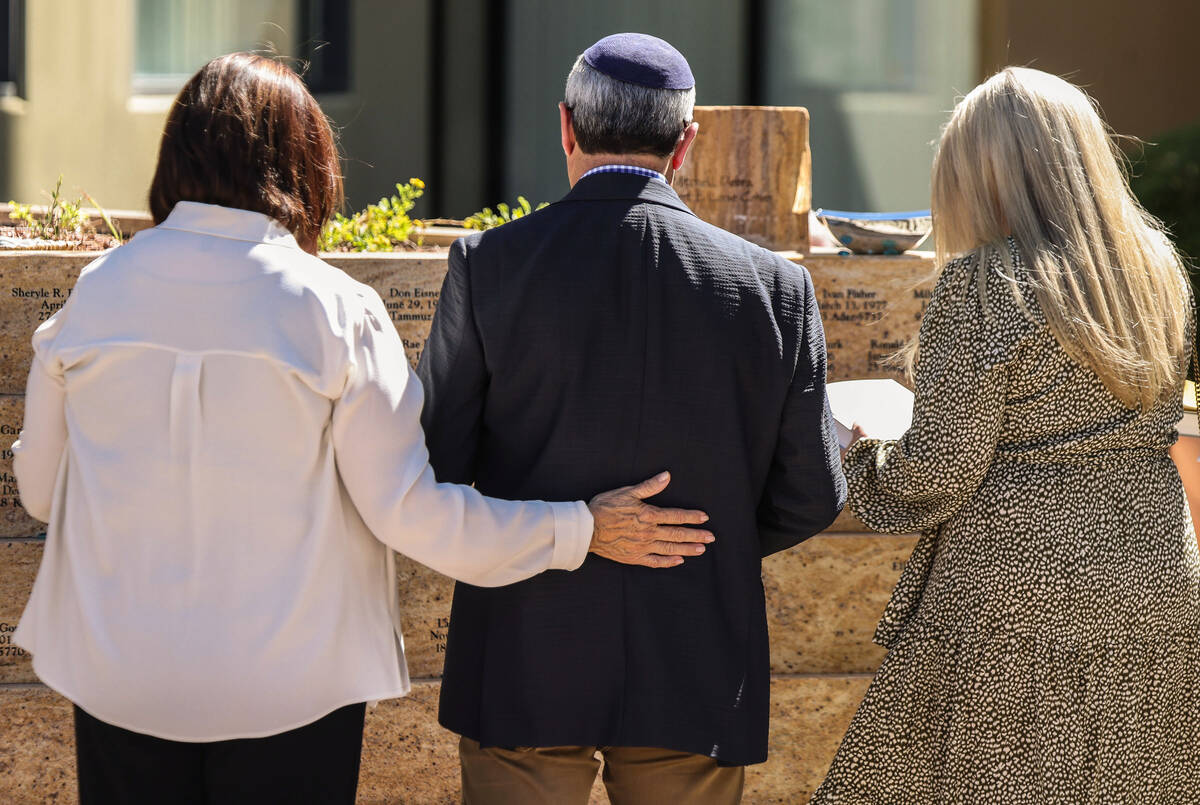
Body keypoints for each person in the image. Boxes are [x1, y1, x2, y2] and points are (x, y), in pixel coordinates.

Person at [11, 52, 714, 805]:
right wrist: (580, 528)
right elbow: (410, 513)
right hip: (291, 693)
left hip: (118, 679)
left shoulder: (95, 292)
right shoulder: (336, 311)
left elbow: (42, 490)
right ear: (306, 162)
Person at [418, 32, 846, 804]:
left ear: (565, 126)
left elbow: (434, 468)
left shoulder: (489, 265)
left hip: (524, 653)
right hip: (693, 659)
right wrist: (702, 537)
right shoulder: (777, 288)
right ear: (686, 144)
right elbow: (812, 491)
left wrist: (563, 529)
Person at [812, 67, 1200, 802]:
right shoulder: (1159, 269)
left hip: (1018, 589)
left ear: (983, 174)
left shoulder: (986, 281)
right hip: (1155, 566)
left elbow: (939, 470)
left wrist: (862, 451)